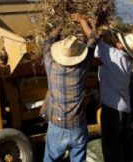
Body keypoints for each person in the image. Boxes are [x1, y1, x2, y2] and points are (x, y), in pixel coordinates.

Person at [72, 13, 133, 162]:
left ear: (122, 46)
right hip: (125, 109)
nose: (116, 41)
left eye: (119, 41)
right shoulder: (128, 61)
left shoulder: (114, 56)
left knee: (111, 147)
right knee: (125, 145)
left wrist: (83, 20)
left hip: (112, 110)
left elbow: (92, 37)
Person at [42, 21, 97, 162]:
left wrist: (59, 25)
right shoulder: (81, 69)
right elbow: (93, 40)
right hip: (78, 126)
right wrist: (83, 21)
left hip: (57, 126)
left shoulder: (50, 66)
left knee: (51, 159)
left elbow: (47, 42)